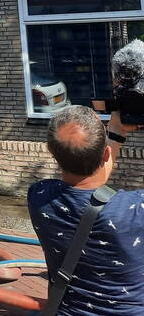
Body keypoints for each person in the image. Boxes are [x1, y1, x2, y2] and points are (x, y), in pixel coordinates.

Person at [28, 105, 144, 315]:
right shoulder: (137, 209)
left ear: (51, 151)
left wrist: (116, 134)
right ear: (107, 153)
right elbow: (94, 182)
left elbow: (88, 183)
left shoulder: (39, 196)